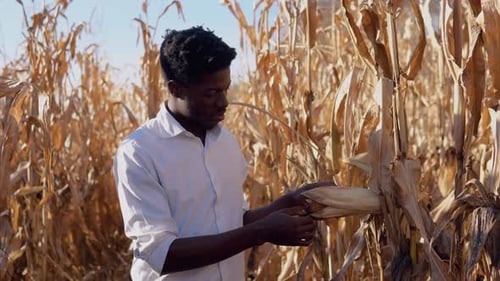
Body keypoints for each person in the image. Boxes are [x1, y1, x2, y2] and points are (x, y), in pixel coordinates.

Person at [113, 26, 326, 281]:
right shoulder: (139, 153)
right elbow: (162, 254)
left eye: (225, 89)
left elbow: (232, 221)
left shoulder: (225, 142)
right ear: (176, 89)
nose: (224, 102)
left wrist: (287, 202)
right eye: (211, 93)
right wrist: (261, 232)